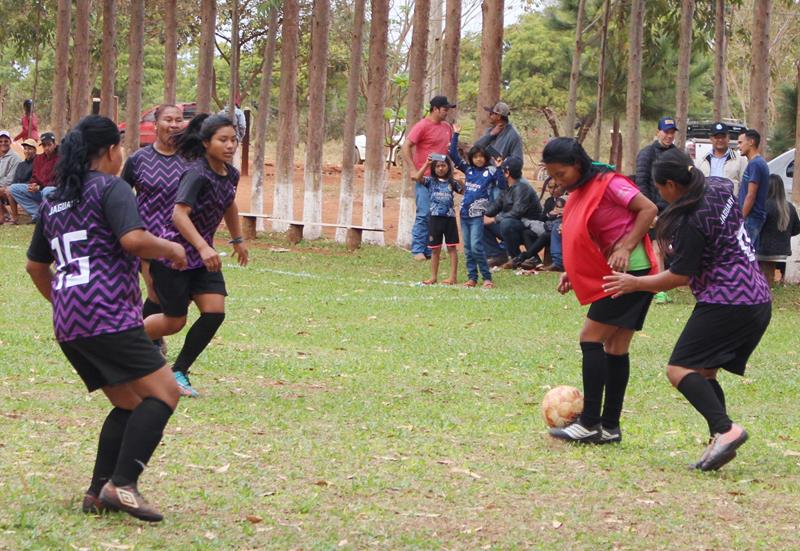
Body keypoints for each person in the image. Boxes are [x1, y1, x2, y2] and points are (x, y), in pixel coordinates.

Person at [25, 115, 187, 521]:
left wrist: (65, 303)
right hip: (109, 317)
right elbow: (133, 240)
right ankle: (123, 484)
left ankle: (98, 492)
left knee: (130, 404)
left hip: (70, 323)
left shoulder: (54, 199)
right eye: (122, 148)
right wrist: (169, 248)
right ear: (112, 151)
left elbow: (34, 267)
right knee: (165, 393)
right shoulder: (111, 187)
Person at [603, 149, 771, 471]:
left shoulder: (689, 220)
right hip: (757, 296)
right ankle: (719, 441)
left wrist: (634, 283)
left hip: (728, 301)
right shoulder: (720, 186)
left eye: (661, 189)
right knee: (704, 371)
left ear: (670, 184)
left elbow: (679, 276)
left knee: (679, 369)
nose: (661, 196)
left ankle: (727, 430)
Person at [543, 138, 658, 444]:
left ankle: (590, 422)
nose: (558, 181)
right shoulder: (581, 190)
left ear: (577, 164)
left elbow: (648, 209)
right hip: (619, 271)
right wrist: (573, 268)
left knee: (590, 338)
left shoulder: (609, 183)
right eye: (553, 176)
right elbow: (585, 234)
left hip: (630, 272)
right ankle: (610, 427)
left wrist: (627, 245)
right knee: (616, 347)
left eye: (561, 174)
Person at [143, 114, 249, 397]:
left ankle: (179, 371)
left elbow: (229, 205)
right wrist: (202, 246)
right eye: (222, 140)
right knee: (174, 321)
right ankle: (120, 345)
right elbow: (179, 214)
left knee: (214, 313)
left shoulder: (231, 174)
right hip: (175, 254)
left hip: (204, 259)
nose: (230, 146)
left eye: (233, 140)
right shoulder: (196, 173)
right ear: (206, 143)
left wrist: (238, 240)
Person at [122, 104, 187, 351]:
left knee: (173, 295)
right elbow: (122, 193)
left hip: (182, 238)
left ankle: (148, 336)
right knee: (155, 293)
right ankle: (145, 340)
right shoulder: (138, 159)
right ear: (155, 124)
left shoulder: (191, 158)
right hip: (147, 237)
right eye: (168, 119)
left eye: (178, 120)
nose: (173, 124)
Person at [449, 123, 504, 288]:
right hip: (464, 214)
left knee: (476, 246)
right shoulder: (469, 171)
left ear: (486, 158)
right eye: (476, 157)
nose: (479, 159)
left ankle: (487, 278)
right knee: (467, 249)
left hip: (478, 216)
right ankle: (472, 277)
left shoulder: (491, 171)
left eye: (481, 156)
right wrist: (456, 135)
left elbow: (502, 185)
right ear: (472, 158)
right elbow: (453, 154)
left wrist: (500, 168)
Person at [401, 95, 455, 261]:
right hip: (425, 178)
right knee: (424, 214)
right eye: (445, 109)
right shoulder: (422, 126)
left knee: (438, 216)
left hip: (443, 180)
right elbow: (406, 147)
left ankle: (431, 249)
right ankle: (418, 249)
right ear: (435, 109)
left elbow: (449, 151)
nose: (447, 112)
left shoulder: (447, 127)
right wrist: (412, 169)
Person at [636, 116, 678, 304]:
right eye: (666, 132)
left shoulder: (677, 154)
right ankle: (659, 289)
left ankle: (663, 284)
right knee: (658, 247)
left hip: (675, 209)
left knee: (670, 247)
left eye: (672, 132)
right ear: (657, 132)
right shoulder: (646, 154)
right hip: (655, 209)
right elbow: (641, 183)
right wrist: (650, 212)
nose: (669, 136)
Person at [411, 155, 462, 285]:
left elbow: (464, 191)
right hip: (435, 218)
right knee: (435, 249)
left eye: (443, 165)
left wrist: (460, 180)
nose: (440, 168)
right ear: (434, 168)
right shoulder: (430, 181)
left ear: (448, 167)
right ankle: (433, 277)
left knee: (451, 248)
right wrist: (426, 164)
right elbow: (416, 178)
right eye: (438, 166)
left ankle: (453, 277)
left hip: (449, 219)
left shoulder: (452, 182)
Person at [483, 157, 542, 267]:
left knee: (506, 223)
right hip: (514, 226)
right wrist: (482, 215)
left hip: (530, 228)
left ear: (507, 173)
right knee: (479, 221)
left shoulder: (522, 188)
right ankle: (497, 255)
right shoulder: (507, 189)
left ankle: (516, 258)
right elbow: (494, 207)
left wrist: (493, 219)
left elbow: (517, 212)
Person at [757, 174, 800, 285]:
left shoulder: (763, 206)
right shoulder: (790, 207)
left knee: (763, 276)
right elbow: (796, 230)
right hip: (782, 251)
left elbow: (756, 228)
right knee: (768, 275)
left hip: (763, 251)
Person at [10, 132, 59, 221]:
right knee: (13, 188)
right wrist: (33, 184)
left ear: (54, 144)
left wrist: (40, 187)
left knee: (47, 191)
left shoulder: (61, 157)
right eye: (44, 145)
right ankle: (37, 214)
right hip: (39, 190)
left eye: (49, 144)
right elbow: (34, 176)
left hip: (54, 191)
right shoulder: (39, 159)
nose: (46, 148)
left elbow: (59, 181)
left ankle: (48, 216)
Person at [737, 129, 769, 250]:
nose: (738, 146)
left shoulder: (755, 164)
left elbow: (751, 195)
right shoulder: (755, 163)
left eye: (740, 142)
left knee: (745, 256)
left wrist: (740, 219)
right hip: (752, 218)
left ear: (751, 142)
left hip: (751, 218)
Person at [696, 122, 747, 195]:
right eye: (717, 137)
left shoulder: (740, 160)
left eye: (723, 136)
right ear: (711, 139)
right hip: (707, 204)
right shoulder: (701, 161)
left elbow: (745, 187)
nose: (720, 140)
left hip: (732, 205)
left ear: (728, 138)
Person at [473, 101, 524, 166]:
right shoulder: (490, 130)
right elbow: (476, 146)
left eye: (491, 113)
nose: (489, 116)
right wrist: (491, 134)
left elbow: (518, 161)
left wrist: (503, 163)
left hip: (501, 172)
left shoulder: (513, 135)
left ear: (498, 116)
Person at [1, 138, 37, 224]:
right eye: (25, 149)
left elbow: (35, 178)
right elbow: (15, 180)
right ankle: (10, 216)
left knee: (11, 189)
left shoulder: (37, 161)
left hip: (32, 188)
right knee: (11, 189)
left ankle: (14, 216)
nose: (27, 151)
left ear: (35, 150)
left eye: (30, 149)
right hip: (18, 188)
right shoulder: (21, 165)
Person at [0, 130, 20, 223]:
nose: (3, 143)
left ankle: (7, 216)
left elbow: (10, 180)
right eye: (1, 141)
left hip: (9, 188)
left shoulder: (15, 158)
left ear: (10, 142)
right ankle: (4, 214)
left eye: (6, 141)